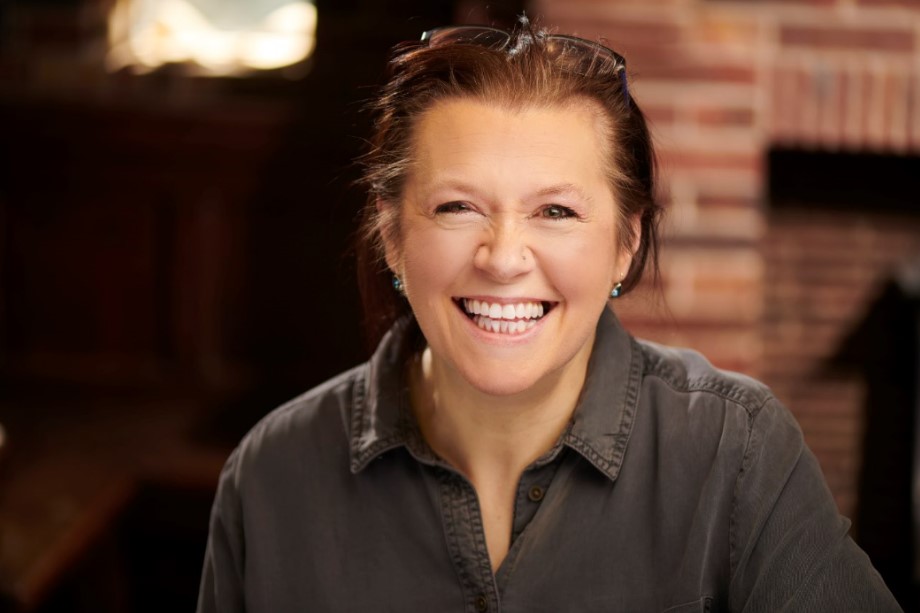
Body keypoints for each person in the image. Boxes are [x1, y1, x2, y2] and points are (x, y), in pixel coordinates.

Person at [197, 19, 901, 612]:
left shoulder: (736, 450)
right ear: (391, 235)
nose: (504, 258)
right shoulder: (271, 474)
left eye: (556, 211)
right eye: (457, 206)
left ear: (626, 244)